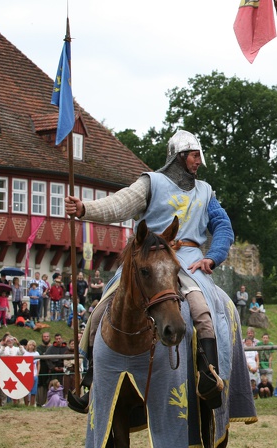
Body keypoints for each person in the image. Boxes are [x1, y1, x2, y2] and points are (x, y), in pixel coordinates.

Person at [64, 130, 234, 413]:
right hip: (145, 258)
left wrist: (213, 258)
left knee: (202, 310)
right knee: (98, 313)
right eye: (194, 155)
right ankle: (92, 382)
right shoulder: (151, 183)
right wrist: (85, 208)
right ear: (179, 157)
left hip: (187, 258)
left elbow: (223, 227)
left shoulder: (206, 191)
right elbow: (119, 204)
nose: (199, 162)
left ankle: (208, 374)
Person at [36, 331, 52, 406]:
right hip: (42, 370)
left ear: (50, 338)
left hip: (51, 370)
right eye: (44, 336)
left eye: (47, 336)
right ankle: (40, 403)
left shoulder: (52, 347)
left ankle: (51, 403)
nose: (46, 338)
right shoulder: (39, 348)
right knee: (41, 387)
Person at [23, 340, 40, 406]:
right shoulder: (25, 354)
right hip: (26, 374)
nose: (31, 346)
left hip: (34, 373)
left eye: (33, 345)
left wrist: (37, 373)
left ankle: (32, 404)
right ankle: (26, 404)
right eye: (30, 345)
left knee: (33, 391)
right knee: (26, 390)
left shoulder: (37, 353)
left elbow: (38, 364)